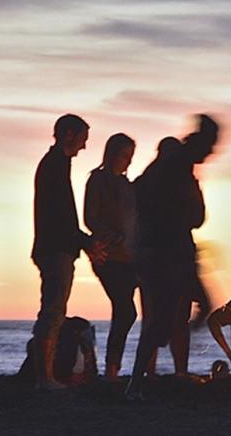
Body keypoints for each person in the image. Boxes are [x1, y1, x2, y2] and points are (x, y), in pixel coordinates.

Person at [126, 114, 219, 400]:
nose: (213, 153)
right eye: (211, 146)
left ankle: (139, 379)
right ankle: (137, 382)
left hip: (169, 251)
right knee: (172, 316)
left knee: (188, 311)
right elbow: (193, 215)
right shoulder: (176, 166)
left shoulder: (174, 168)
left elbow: (193, 215)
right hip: (168, 253)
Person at [31, 113, 105, 390]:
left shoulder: (56, 165)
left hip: (57, 247)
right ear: (69, 135)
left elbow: (63, 217)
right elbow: (61, 216)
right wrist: (84, 242)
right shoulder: (54, 166)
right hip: (55, 249)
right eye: (82, 139)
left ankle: (46, 376)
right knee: (52, 312)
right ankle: (44, 378)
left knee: (54, 311)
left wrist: (82, 243)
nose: (84, 147)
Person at [84, 133, 138, 380]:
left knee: (126, 310)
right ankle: (111, 369)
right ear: (112, 154)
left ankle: (115, 369)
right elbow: (90, 218)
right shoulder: (98, 180)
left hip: (130, 257)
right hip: (108, 255)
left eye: (130, 157)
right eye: (124, 155)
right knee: (126, 310)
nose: (127, 161)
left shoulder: (128, 186)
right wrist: (111, 236)